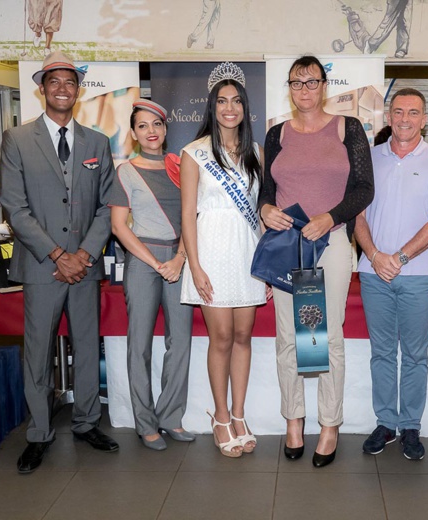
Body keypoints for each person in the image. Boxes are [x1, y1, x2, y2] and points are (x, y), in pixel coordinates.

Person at [0, 51, 118, 474]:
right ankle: (39, 433)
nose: (62, 88)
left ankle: (87, 423)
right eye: (54, 81)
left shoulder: (97, 142)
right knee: (38, 351)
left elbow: (108, 205)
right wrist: (57, 255)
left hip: (84, 266)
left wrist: (83, 254)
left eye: (70, 81)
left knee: (88, 346)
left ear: (78, 89)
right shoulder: (17, 140)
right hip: (41, 266)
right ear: (43, 88)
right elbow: (15, 208)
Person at [259, 55, 374, 468]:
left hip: (332, 243)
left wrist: (331, 216)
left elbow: (364, 189)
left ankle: (329, 426)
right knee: (290, 337)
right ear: (288, 88)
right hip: (287, 246)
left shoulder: (349, 127)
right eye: (296, 82)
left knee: (328, 338)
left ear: (324, 85)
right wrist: (266, 209)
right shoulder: (276, 134)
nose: (304, 89)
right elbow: (267, 189)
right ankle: (294, 421)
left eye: (312, 81)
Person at [355, 88, 428, 461]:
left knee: (414, 355)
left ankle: (411, 425)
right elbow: (358, 215)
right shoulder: (369, 159)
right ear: (387, 115)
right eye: (398, 111)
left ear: (424, 118)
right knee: (381, 353)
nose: (405, 119)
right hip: (372, 272)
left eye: (413, 112)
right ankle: (386, 423)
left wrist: (397, 257)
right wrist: (376, 256)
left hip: (418, 274)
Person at [180, 62, 266, 458]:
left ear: (245, 108)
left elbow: (259, 211)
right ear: (212, 107)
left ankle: (239, 413)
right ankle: (219, 416)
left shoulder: (256, 152)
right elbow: (188, 215)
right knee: (223, 337)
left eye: (236, 101)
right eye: (222, 101)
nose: (229, 108)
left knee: (245, 336)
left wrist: (265, 264)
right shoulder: (194, 153)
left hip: (247, 250)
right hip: (212, 252)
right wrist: (195, 266)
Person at [109, 100, 194, 451]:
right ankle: (145, 422)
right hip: (143, 259)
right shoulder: (125, 171)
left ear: (165, 128)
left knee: (181, 343)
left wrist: (178, 258)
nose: (151, 131)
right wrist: (155, 262)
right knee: (139, 345)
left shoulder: (181, 167)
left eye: (156, 124)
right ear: (133, 133)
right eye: (142, 126)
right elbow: (118, 226)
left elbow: (194, 217)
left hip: (180, 257)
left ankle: (171, 416)